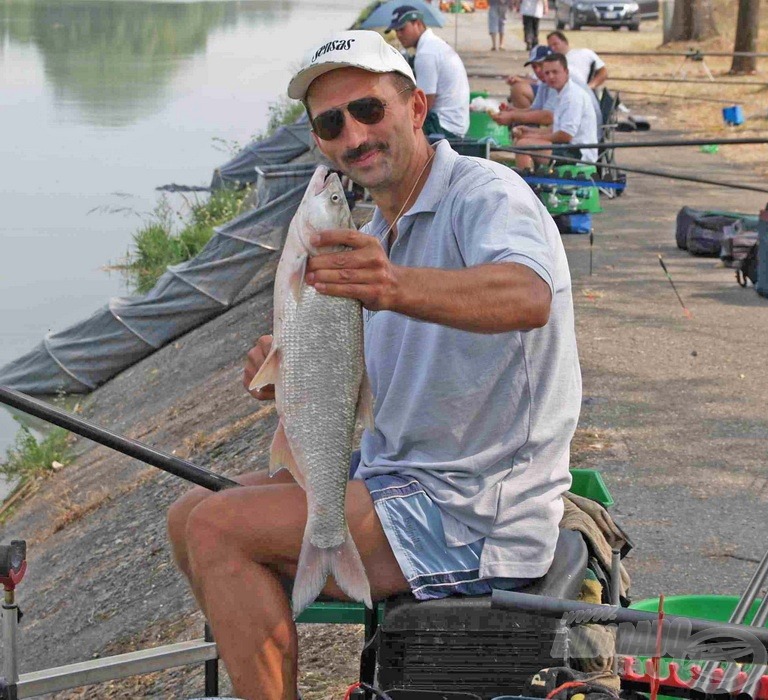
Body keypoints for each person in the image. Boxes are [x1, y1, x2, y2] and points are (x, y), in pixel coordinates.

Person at [167, 28, 581, 700]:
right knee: (191, 513)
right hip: (393, 477)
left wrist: (392, 286)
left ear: (416, 107)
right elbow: (364, 380)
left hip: (474, 510)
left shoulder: (485, 195)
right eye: (331, 124)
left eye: (369, 110)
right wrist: (285, 374)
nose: (353, 135)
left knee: (222, 528)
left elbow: (526, 296)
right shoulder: (371, 239)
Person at [386, 5, 470, 139]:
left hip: (444, 127)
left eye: (402, 29)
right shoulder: (434, 44)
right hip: (457, 123)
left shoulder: (426, 54)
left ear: (418, 24)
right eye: (396, 31)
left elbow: (424, 104)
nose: (399, 34)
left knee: (390, 127)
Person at [495, 45, 602, 141]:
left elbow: (548, 117)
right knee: (523, 140)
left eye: (540, 65)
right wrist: (512, 111)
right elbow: (536, 109)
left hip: (584, 141)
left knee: (524, 143)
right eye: (534, 67)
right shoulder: (546, 81)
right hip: (569, 136)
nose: (537, 70)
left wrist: (513, 117)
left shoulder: (562, 84)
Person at [512, 52, 599, 170]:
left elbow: (565, 135)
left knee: (523, 145)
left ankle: (527, 184)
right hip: (568, 148)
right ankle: (531, 178)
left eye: (555, 72)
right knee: (523, 141)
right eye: (547, 73)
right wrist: (530, 131)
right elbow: (556, 129)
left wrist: (533, 137)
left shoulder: (572, 97)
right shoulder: (562, 93)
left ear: (566, 72)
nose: (551, 77)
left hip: (579, 154)